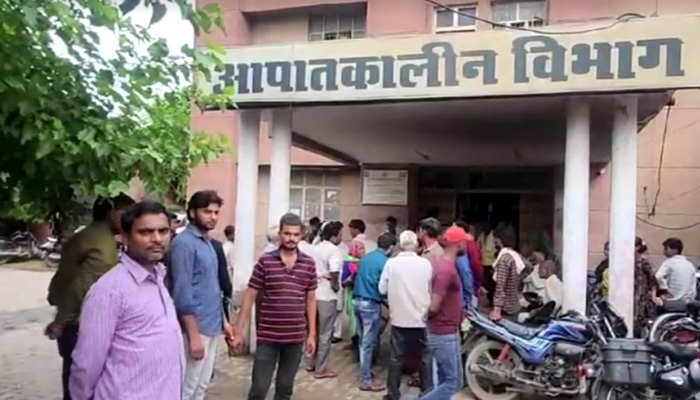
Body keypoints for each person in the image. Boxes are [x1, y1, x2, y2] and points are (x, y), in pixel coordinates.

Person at [69, 202, 182, 400]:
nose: (157, 239)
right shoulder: (110, 290)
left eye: (163, 231)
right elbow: (86, 363)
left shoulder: (158, 279)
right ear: (125, 236)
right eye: (146, 232)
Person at [45, 194, 134, 400]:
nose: (132, 219)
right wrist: (61, 322)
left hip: (75, 322)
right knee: (83, 389)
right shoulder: (102, 246)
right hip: (81, 325)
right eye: (127, 214)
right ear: (111, 214)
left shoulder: (90, 235)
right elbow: (82, 289)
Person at [231, 213, 317, 400]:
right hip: (268, 337)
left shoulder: (308, 264)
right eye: (287, 233)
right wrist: (238, 330)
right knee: (259, 389)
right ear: (280, 234)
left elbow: (310, 299)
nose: (291, 238)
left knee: (285, 389)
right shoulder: (265, 261)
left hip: (295, 338)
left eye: (295, 234)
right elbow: (250, 295)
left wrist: (311, 334)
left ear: (301, 235)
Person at [169, 190, 233, 400]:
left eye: (216, 212)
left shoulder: (207, 242)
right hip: (194, 328)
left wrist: (224, 321)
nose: (213, 217)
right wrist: (194, 335)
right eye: (207, 211)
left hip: (212, 324)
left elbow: (212, 286)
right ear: (192, 212)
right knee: (186, 388)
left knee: (201, 386)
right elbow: (182, 291)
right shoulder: (184, 244)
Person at [379, 230, 433, 400]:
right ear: (416, 244)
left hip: (400, 318)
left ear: (400, 245)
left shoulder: (391, 264)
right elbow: (430, 289)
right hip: (421, 318)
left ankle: (393, 393)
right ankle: (427, 390)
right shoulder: (425, 264)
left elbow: (382, 289)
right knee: (425, 356)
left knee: (396, 357)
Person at [418, 226, 465, 400]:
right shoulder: (446, 270)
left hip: (445, 330)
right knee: (452, 383)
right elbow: (434, 305)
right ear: (459, 244)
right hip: (443, 332)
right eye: (465, 241)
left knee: (451, 381)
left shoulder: (443, 266)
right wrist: (427, 316)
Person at [353, 232, 396, 391]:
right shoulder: (385, 262)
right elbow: (384, 286)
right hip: (370, 304)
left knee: (362, 340)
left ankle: (365, 371)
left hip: (357, 301)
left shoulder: (365, 258)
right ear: (390, 247)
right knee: (368, 342)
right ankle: (365, 380)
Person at [308, 221, 344, 378]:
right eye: (340, 234)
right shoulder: (334, 251)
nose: (342, 238)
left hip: (313, 293)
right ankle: (321, 369)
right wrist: (336, 287)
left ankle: (311, 362)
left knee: (312, 330)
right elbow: (335, 271)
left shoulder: (314, 249)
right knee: (325, 333)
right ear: (334, 236)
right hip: (327, 294)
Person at [490, 224, 530, 321]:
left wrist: (497, 310)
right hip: (515, 304)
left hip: (506, 309)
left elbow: (500, 286)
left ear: (498, 240)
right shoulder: (515, 255)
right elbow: (528, 269)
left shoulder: (504, 259)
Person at [655, 238, 697, 303]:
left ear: (674, 250)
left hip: (670, 301)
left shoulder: (669, 262)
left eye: (666, 249)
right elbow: (693, 289)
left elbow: (658, 276)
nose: (664, 251)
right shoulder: (690, 265)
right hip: (685, 303)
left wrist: (664, 288)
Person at [341, 240, 365, 348]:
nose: (363, 251)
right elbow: (344, 281)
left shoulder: (364, 262)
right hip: (352, 293)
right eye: (360, 248)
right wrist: (352, 277)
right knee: (353, 319)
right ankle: (355, 340)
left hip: (361, 293)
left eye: (363, 248)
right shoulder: (348, 262)